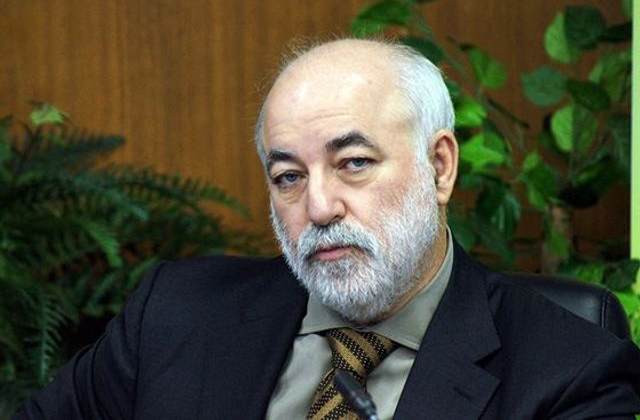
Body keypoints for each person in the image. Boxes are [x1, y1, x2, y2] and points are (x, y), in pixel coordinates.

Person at [14, 38, 640, 419]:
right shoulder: (173, 316)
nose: (318, 207)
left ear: (440, 167)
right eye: (288, 176)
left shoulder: (570, 372)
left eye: (354, 163)